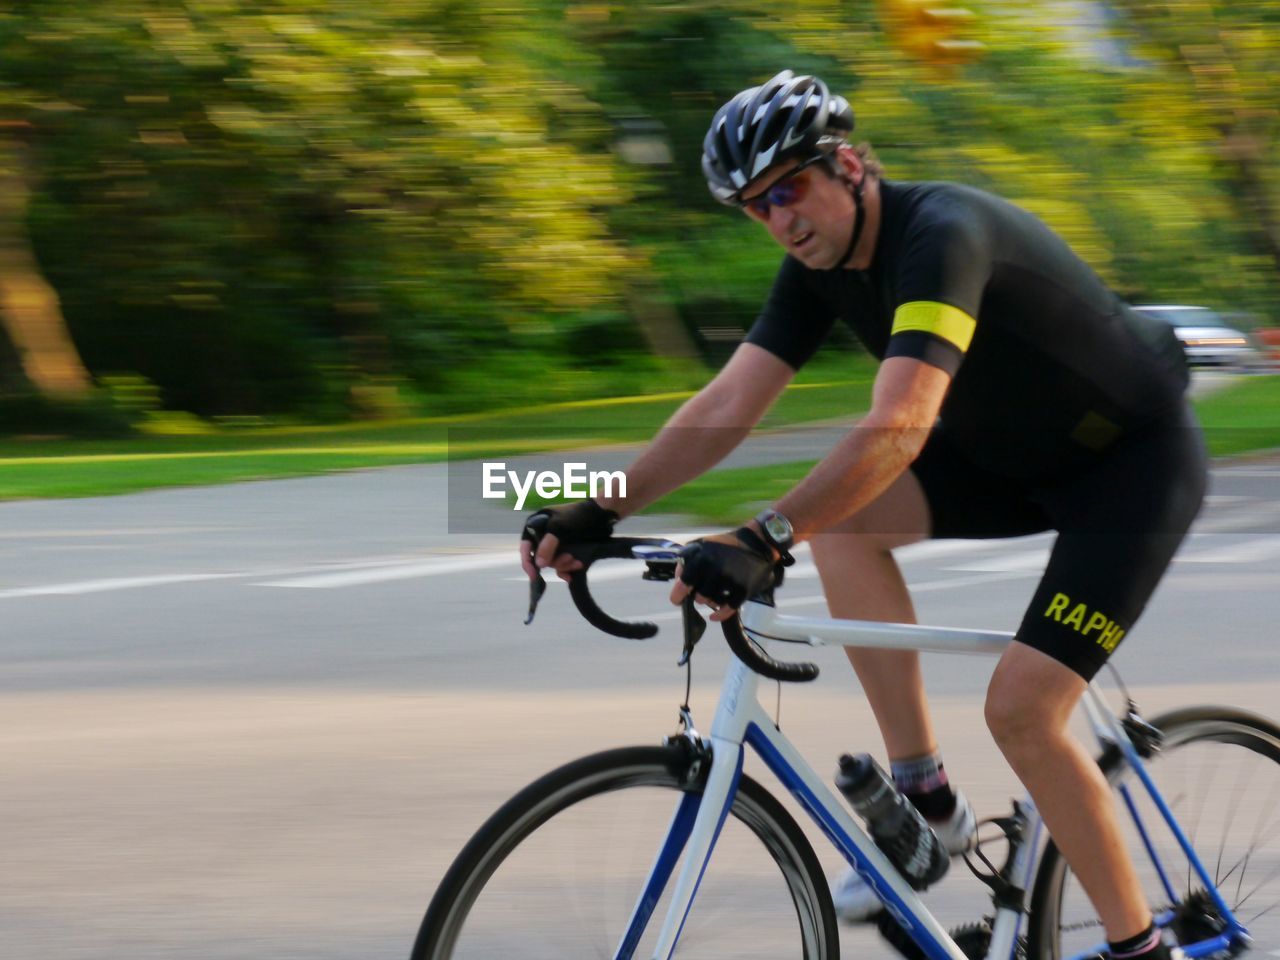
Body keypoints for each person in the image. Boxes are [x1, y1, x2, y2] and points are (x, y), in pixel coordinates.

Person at [520, 70, 1205, 959]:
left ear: (846, 164)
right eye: (755, 208)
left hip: (1128, 467)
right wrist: (596, 509)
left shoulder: (942, 235)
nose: (778, 220)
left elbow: (901, 424)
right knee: (847, 523)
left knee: (1025, 710)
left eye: (788, 190)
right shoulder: (815, 270)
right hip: (1009, 461)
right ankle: (929, 805)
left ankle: (1138, 948)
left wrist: (766, 536)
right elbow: (727, 406)